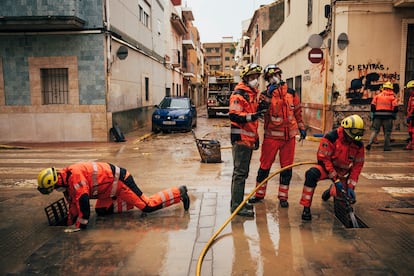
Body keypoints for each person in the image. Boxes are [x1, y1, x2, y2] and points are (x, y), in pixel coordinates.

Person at [37, 162, 190, 230]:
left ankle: (179, 193)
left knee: (147, 206)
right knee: (102, 211)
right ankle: (132, 201)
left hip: (121, 182)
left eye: (51, 189)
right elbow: (73, 204)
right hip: (109, 190)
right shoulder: (66, 181)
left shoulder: (75, 178)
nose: (53, 191)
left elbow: (83, 204)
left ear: (55, 183)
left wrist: (79, 226)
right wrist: (69, 221)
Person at [248, 64, 306, 208]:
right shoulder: (264, 94)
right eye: (270, 77)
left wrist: (301, 127)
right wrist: (268, 96)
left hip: (289, 138)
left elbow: (297, 112)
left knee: (286, 168)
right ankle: (259, 194)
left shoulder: (292, 93)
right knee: (265, 166)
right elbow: (261, 111)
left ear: (280, 75)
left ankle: (283, 197)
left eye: (276, 75)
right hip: (272, 138)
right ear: (267, 80)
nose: (274, 78)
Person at [299, 114, 365, 220]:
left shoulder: (358, 144)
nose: (354, 138)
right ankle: (306, 208)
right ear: (345, 129)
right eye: (353, 134)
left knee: (344, 198)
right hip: (326, 168)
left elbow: (357, 166)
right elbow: (324, 160)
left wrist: (351, 186)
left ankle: (331, 191)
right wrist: (336, 179)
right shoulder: (331, 138)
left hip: (343, 172)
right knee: (311, 174)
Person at [229, 63, 264, 217]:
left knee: (243, 173)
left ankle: (239, 202)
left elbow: (252, 123)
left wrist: (255, 137)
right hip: (241, 140)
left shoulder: (251, 95)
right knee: (239, 174)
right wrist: (253, 116)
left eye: (257, 77)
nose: (256, 80)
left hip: (248, 140)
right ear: (246, 78)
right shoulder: (239, 95)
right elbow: (234, 116)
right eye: (253, 77)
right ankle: (237, 206)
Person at [365, 81, 398, 151]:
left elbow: (373, 107)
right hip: (388, 116)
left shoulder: (377, 96)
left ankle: (369, 143)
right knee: (387, 132)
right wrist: (393, 115)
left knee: (375, 130)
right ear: (391, 89)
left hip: (377, 115)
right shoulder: (393, 97)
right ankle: (386, 147)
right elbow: (395, 108)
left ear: (383, 88)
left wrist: (374, 115)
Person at [405, 80, 414, 150]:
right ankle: (410, 144)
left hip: (412, 117)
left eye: (409, 89)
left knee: (412, 132)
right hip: (411, 117)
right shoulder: (411, 97)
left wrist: (411, 116)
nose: (408, 91)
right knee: (411, 131)